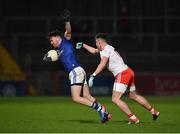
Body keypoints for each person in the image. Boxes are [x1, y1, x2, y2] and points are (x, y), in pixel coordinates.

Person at [43, 10, 112, 123]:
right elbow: (54, 56)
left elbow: (68, 31)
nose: (51, 42)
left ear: (57, 37)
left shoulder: (65, 41)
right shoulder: (58, 50)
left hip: (75, 71)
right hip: (80, 71)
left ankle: (100, 109)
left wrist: (67, 21)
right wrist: (48, 58)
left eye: (51, 40)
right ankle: (105, 113)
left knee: (76, 98)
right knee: (87, 96)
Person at [76, 33, 160, 124]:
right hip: (129, 71)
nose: (95, 44)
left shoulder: (106, 51)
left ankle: (133, 118)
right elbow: (94, 51)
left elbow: (102, 63)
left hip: (122, 74)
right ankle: (153, 111)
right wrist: (83, 45)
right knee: (133, 96)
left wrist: (93, 75)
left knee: (115, 99)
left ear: (99, 42)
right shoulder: (108, 48)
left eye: (96, 42)